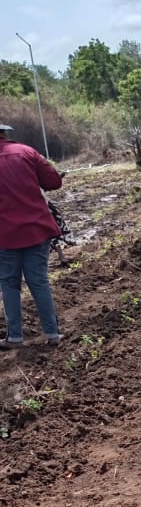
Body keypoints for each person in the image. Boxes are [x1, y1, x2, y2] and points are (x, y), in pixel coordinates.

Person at [0, 122, 65, 348]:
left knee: (9, 283)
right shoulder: (26, 152)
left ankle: (15, 337)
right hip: (36, 228)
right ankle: (52, 333)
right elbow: (54, 181)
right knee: (38, 280)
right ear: (4, 133)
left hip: (5, 234)